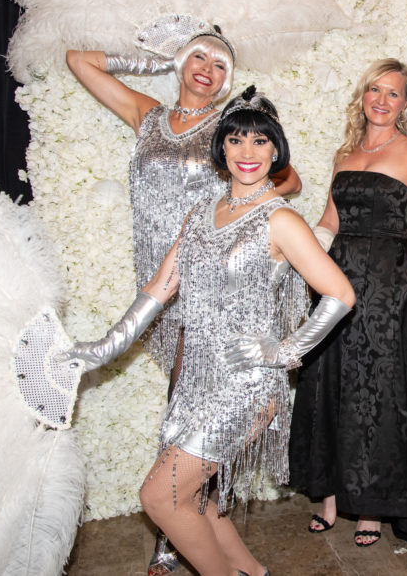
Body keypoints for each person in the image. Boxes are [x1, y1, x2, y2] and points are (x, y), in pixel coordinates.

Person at [59, 86, 354, 576]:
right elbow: (158, 289)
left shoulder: (280, 219)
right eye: (236, 139)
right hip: (195, 382)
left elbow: (341, 294)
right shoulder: (199, 216)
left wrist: (283, 351)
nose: (247, 152)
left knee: (159, 496)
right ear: (221, 148)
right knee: (195, 502)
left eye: (260, 142)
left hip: (245, 386)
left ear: (276, 151)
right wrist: (98, 350)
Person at [289, 59, 407, 549]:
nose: (381, 100)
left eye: (394, 93)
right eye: (374, 90)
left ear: (405, 104)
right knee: (330, 386)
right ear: (364, 97)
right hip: (336, 284)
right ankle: (332, 498)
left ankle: (372, 507)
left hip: (388, 296)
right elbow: (329, 222)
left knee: (379, 395)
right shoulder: (345, 154)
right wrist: (295, 255)